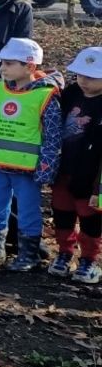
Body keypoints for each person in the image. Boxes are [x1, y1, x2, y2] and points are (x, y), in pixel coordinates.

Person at [0, 38, 62, 272]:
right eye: (2, 62)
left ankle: (28, 254)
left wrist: (46, 168)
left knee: (28, 210)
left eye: (9, 63)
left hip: (28, 170)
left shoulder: (46, 96)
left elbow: (53, 136)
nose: (2, 68)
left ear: (30, 66)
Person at [54, 47, 102, 284]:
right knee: (62, 213)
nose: (84, 80)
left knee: (90, 218)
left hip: (91, 175)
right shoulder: (71, 93)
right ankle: (64, 253)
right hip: (63, 169)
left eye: (91, 77)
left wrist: (98, 187)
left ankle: (89, 259)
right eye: (80, 74)